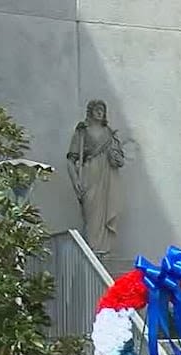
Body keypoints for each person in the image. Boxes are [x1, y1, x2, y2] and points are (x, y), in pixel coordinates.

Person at [66, 99, 125, 255]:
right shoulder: (82, 131)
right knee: (91, 213)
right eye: (97, 109)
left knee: (107, 210)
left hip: (107, 177)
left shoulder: (109, 133)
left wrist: (116, 157)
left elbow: (119, 159)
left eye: (102, 109)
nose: (100, 112)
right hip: (90, 174)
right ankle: (92, 250)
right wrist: (75, 180)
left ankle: (103, 250)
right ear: (90, 111)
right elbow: (71, 160)